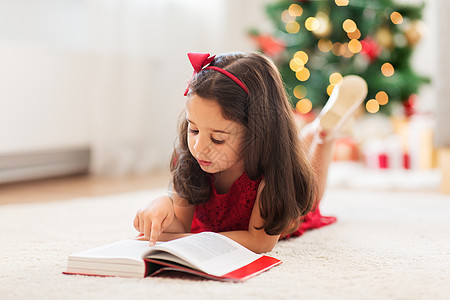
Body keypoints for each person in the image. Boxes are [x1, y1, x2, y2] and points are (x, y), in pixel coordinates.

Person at [133, 52, 368, 253]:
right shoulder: (193, 160)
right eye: (193, 129)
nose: (198, 146)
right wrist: (163, 206)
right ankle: (310, 133)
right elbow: (181, 225)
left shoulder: (273, 173)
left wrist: (180, 242)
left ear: (257, 132)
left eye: (217, 138)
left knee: (311, 194)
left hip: (287, 198)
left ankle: (323, 133)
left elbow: (259, 243)